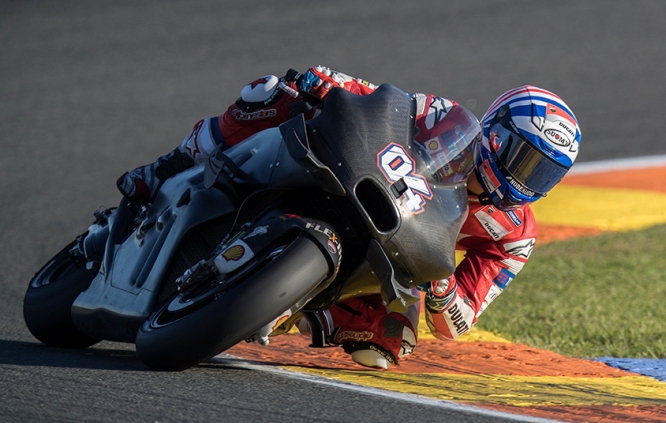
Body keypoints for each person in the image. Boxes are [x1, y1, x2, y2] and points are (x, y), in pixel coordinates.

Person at [117, 66, 582, 369]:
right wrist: (327, 85)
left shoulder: (515, 234)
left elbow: (457, 324)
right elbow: (377, 102)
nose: (529, 182)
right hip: (353, 174)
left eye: (545, 174)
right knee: (269, 92)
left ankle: (285, 303)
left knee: (389, 343)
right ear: (497, 135)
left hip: (394, 244)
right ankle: (172, 163)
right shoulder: (443, 118)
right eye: (526, 160)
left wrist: (440, 286)